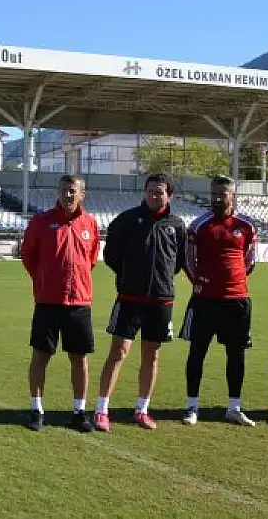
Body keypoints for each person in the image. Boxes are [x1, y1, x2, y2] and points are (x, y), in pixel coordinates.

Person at [94, 172, 187, 431]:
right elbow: (111, 255)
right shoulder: (126, 220)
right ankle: (101, 409)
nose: (153, 195)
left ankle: (142, 409)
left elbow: (178, 261)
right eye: (150, 191)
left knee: (151, 355)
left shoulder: (177, 225)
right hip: (129, 298)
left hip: (161, 301)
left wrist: (161, 280)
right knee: (118, 352)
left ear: (169, 195)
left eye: (159, 192)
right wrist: (128, 276)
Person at [20, 174, 100, 433]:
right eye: (65, 190)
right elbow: (29, 257)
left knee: (79, 358)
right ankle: (36, 409)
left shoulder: (90, 223)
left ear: (82, 194)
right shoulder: (41, 222)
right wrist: (45, 281)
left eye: (73, 191)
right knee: (41, 356)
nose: (68, 195)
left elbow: (91, 260)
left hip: (79, 302)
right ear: (59, 191)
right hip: (48, 302)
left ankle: (79, 412)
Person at [179, 176, 258, 427]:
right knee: (197, 352)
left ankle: (234, 407)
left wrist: (234, 281)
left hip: (237, 300)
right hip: (205, 300)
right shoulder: (199, 226)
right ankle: (192, 406)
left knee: (236, 355)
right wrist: (200, 283)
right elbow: (189, 261)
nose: (217, 197)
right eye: (214, 193)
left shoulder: (246, 226)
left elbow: (250, 260)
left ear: (232, 196)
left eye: (222, 194)